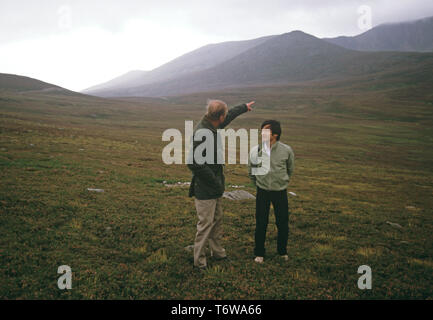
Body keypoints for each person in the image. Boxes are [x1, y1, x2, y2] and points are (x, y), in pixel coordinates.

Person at [187, 99, 255, 270]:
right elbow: (193, 163)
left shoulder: (212, 124)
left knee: (216, 221)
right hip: (205, 188)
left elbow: (228, 116)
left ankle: (218, 253)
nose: (226, 118)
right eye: (224, 115)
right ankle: (199, 261)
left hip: (215, 186)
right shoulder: (203, 132)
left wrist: (243, 108)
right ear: (220, 117)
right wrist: (214, 180)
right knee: (205, 225)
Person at [248, 120, 294, 263]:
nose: (262, 133)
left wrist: (281, 182)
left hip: (280, 192)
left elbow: (289, 169)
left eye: (265, 131)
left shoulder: (286, 150)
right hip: (262, 192)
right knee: (261, 222)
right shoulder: (256, 150)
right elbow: (251, 172)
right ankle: (259, 253)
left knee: (282, 223)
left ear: (275, 134)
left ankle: (282, 252)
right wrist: (260, 184)